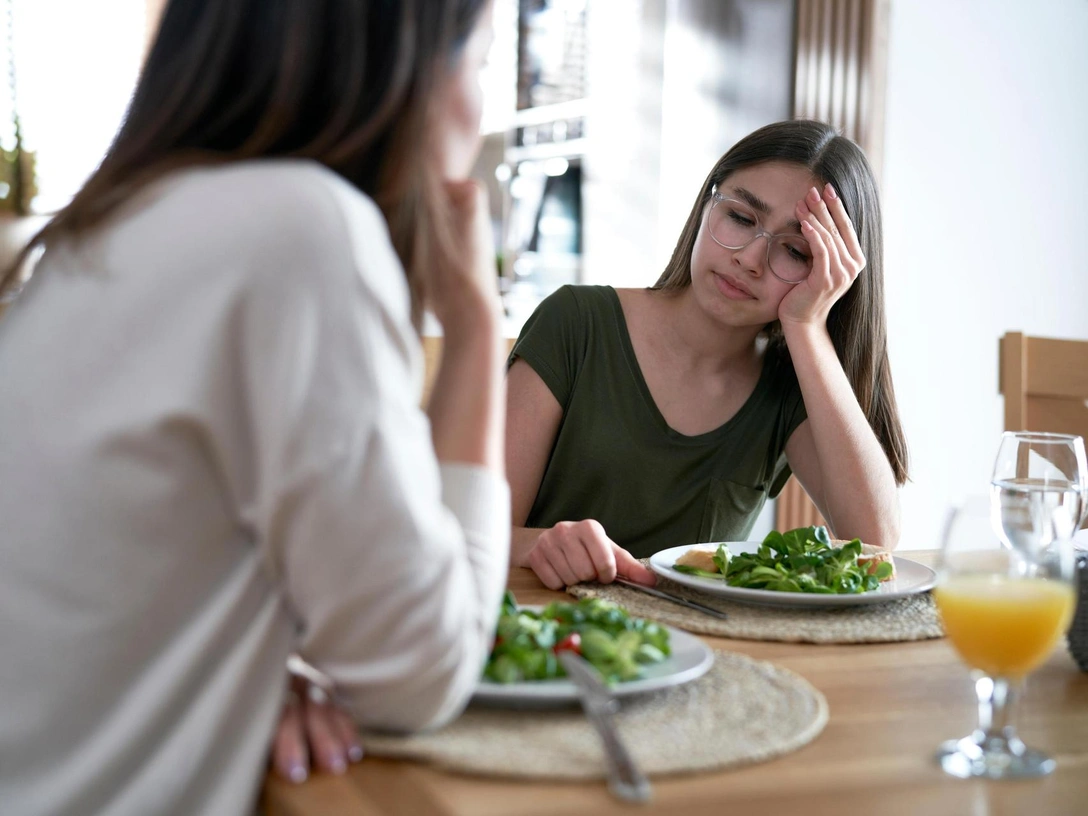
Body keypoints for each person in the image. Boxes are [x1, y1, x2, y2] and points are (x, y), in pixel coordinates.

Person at [0, 1, 508, 814]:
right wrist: (479, 325)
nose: (481, 114)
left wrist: (269, 656)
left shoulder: (104, 231)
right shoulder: (301, 233)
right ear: (405, 67)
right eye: (481, 61)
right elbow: (425, 671)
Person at [506, 120, 909, 590]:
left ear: (826, 272)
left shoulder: (791, 384)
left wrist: (807, 327)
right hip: (542, 634)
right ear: (706, 205)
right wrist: (540, 545)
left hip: (701, 650)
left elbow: (876, 540)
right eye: (740, 218)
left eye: (795, 250)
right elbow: (472, 530)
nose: (750, 259)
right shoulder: (575, 322)